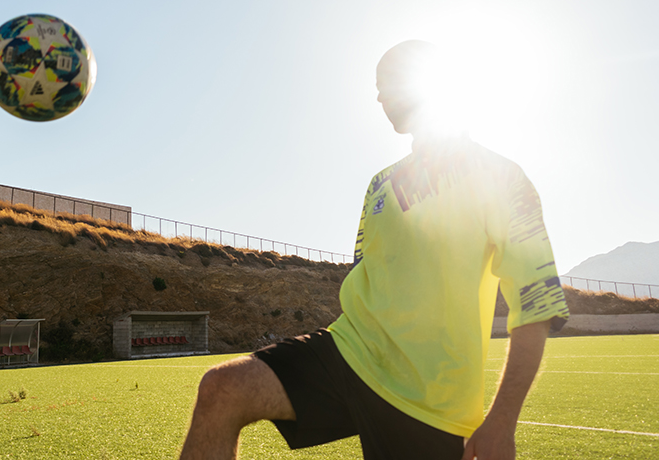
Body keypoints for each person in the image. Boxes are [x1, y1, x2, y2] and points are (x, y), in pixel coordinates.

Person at [178, 40, 569, 460]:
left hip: (429, 395)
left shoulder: (501, 176)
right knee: (222, 388)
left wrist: (502, 421)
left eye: (387, 83)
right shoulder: (380, 184)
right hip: (352, 353)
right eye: (377, 87)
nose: (379, 97)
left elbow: (536, 302)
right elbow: (367, 275)